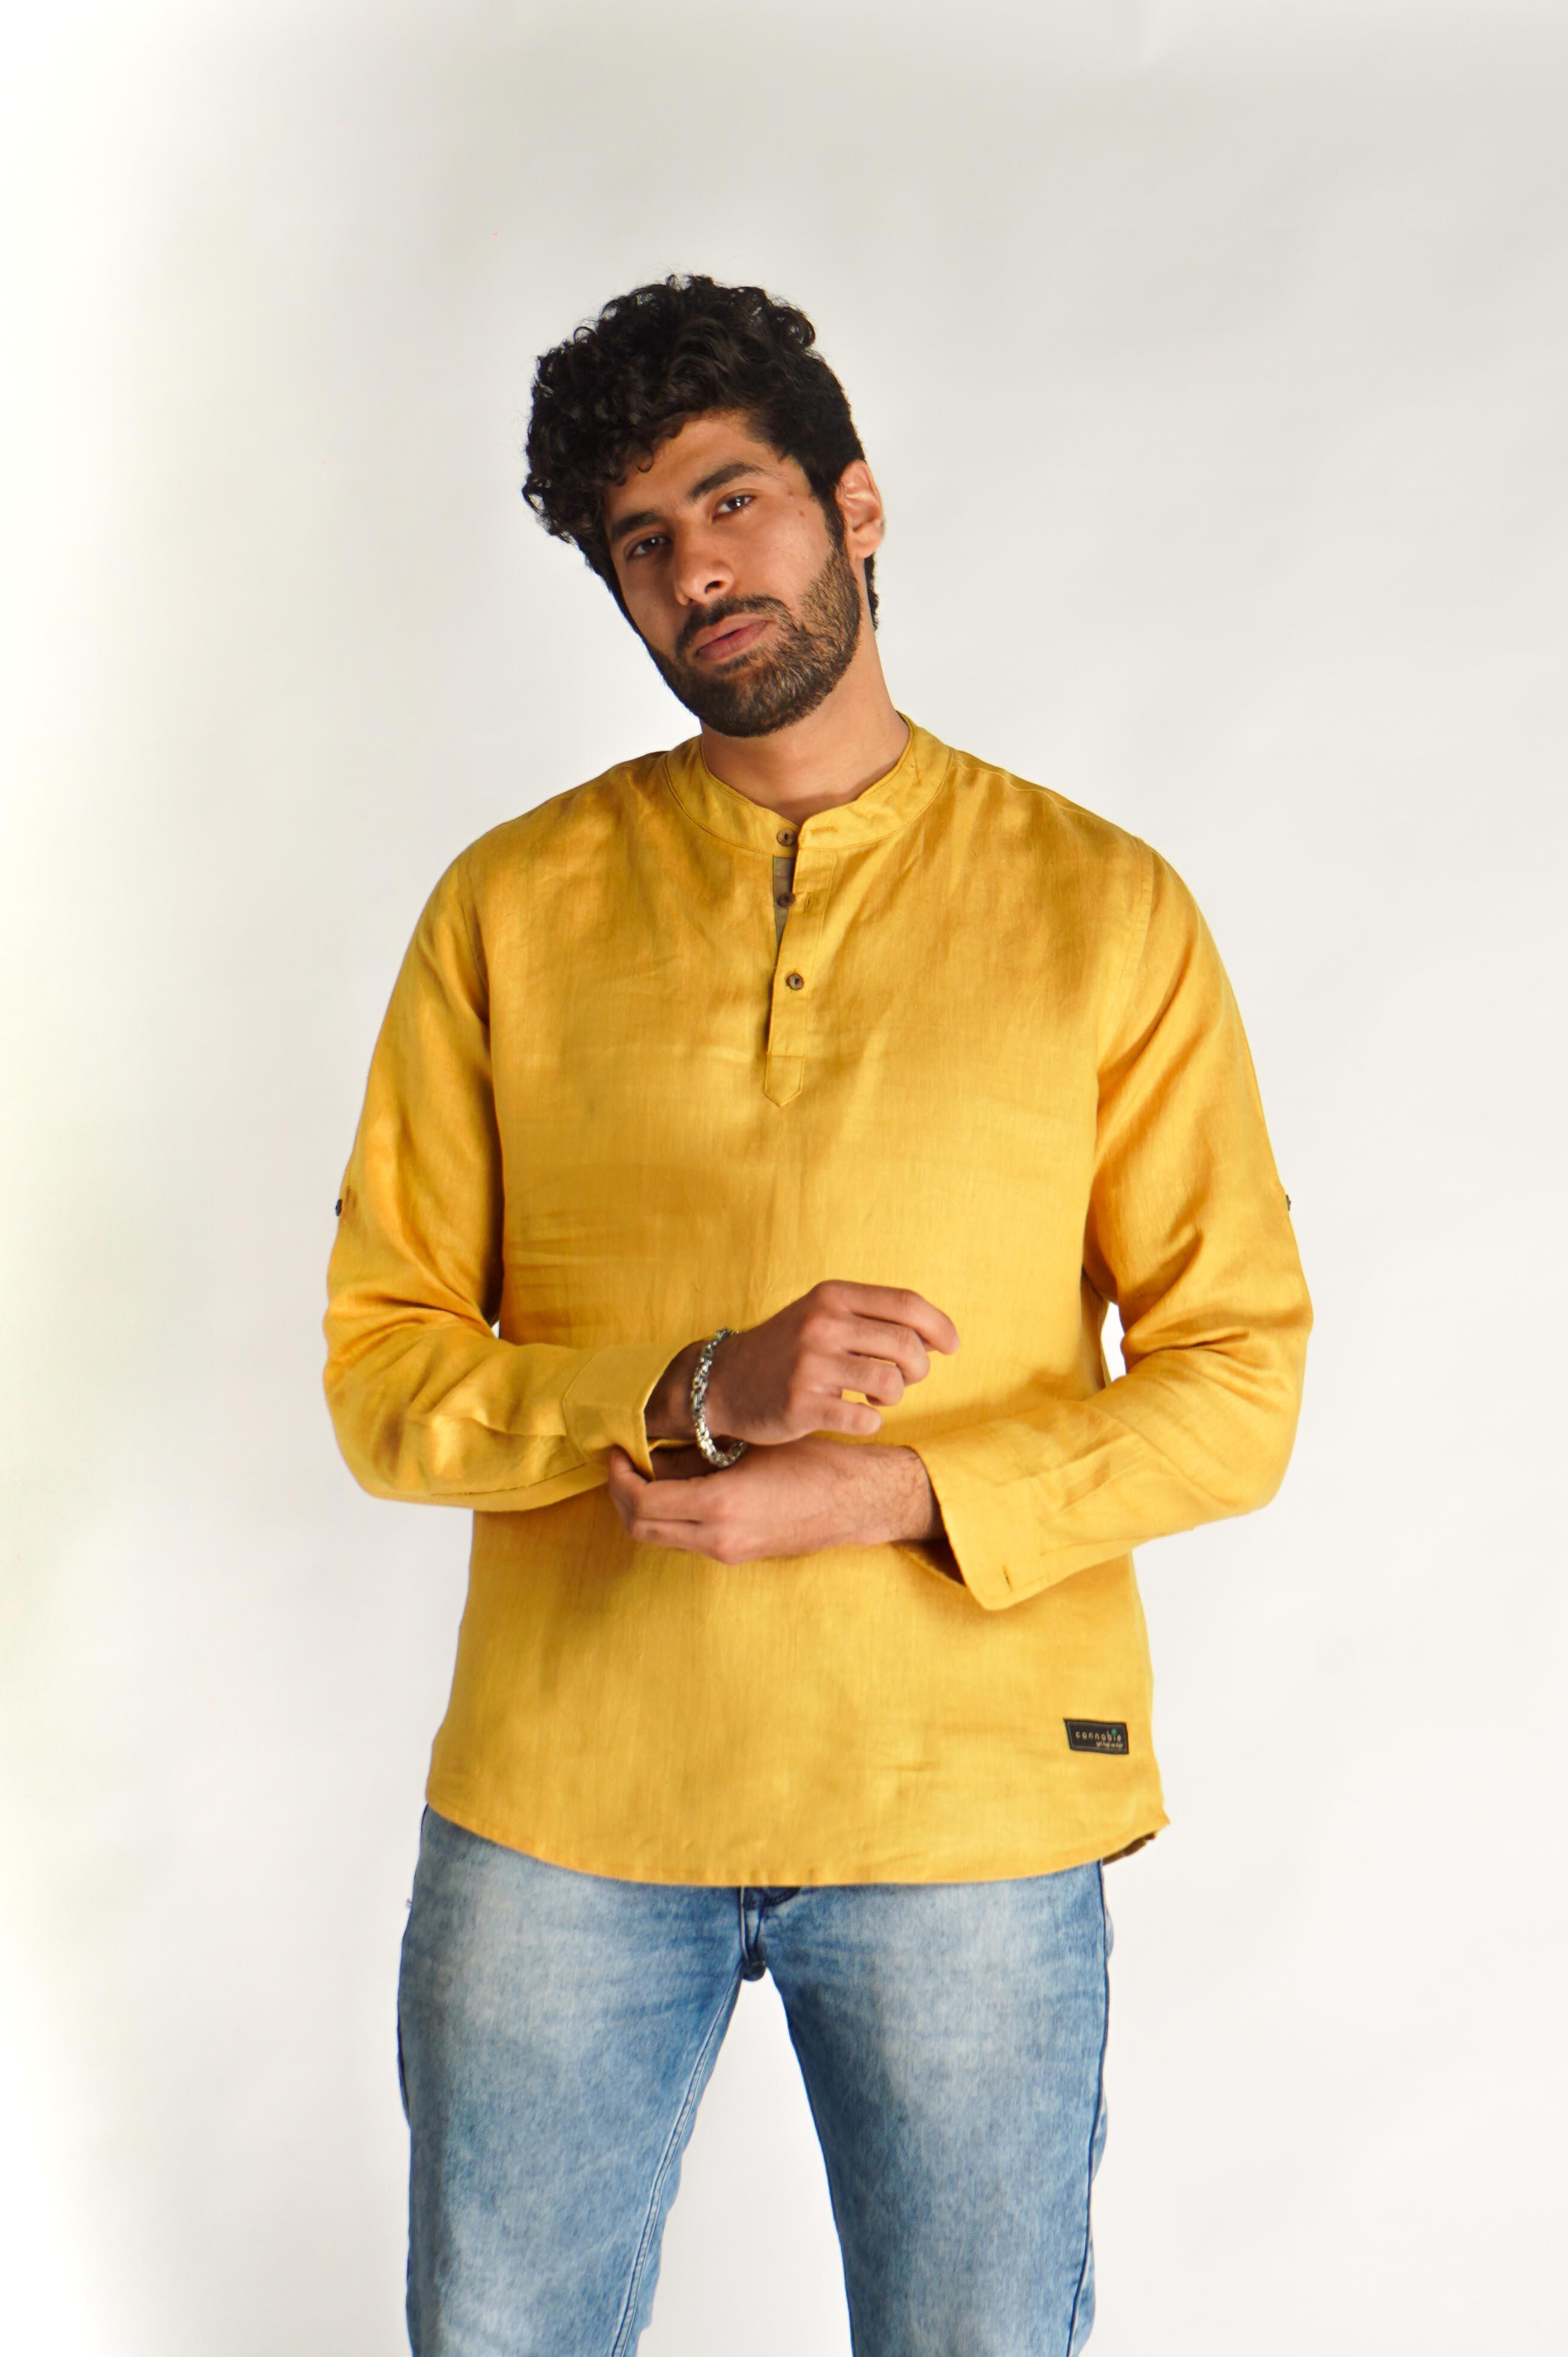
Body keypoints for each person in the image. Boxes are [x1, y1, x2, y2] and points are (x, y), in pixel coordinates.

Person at [323, 272, 1312, 2356]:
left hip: (968, 1806)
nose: (696, 570)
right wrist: (696, 1391)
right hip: (568, 1805)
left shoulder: (1100, 906)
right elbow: (387, 1374)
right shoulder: (512, 907)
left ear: (853, 505)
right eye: (641, 542)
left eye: (732, 501)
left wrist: (889, 1492)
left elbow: (1240, 1380)